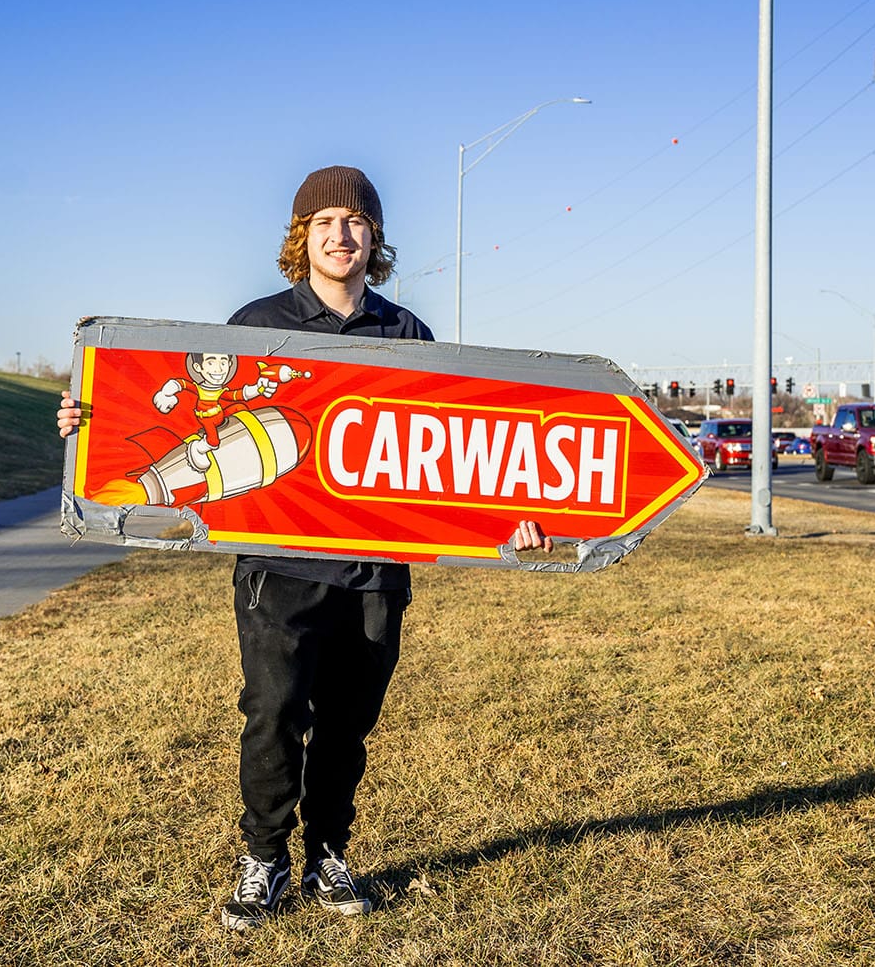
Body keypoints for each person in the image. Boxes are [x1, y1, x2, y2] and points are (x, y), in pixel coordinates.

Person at [58, 165, 550, 931]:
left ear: (374, 237)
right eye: (324, 222)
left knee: (348, 724)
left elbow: (454, 455)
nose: (340, 235)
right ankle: (264, 857)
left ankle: (327, 854)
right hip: (278, 570)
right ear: (303, 235)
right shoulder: (257, 324)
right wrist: (90, 424)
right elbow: (189, 416)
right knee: (274, 714)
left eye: (355, 222)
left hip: (375, 573)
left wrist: (509, 520)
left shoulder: (407, 334)